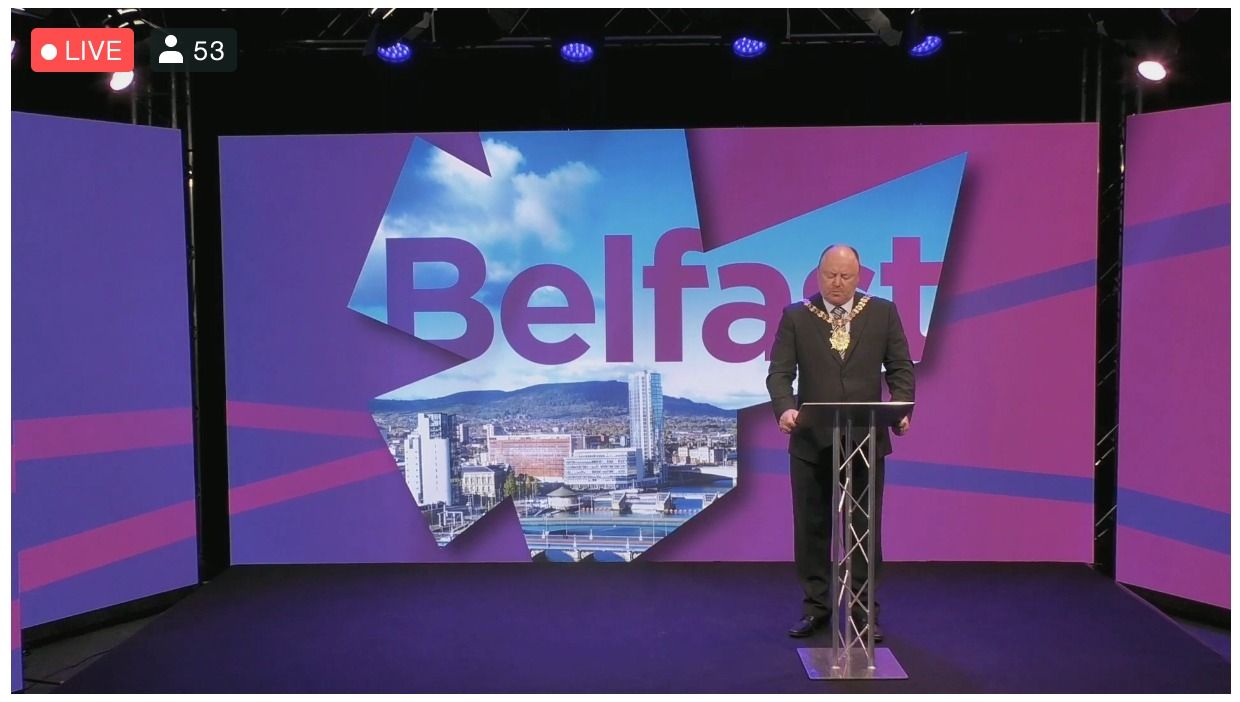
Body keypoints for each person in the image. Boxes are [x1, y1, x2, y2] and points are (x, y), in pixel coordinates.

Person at [765, 244, 915, 641]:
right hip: (811, 442)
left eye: (845, 276)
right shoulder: (796, 316)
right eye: (830, 275)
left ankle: (864, 613)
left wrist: (900, 409)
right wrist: (784, 409)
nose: (837, 283)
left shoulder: (882, 313)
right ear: (818, 275)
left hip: (866, 439)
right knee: (812, 528)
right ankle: (816, 608)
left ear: (859, 277)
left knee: (864, 529)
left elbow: (900, 367)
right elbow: (779, 374)